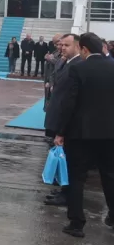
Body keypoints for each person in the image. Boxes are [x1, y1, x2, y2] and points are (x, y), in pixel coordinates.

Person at [53, 32, 114, 238]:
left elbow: (69, 104)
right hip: (109, 134)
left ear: (85, 49)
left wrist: (60, 131)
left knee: (77, 178)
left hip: (81, 134)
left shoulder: (78, 69)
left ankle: (77, 222)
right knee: (109, 176)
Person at [43, 33, 81, 207]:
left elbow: (72, 99)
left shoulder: (79, 65)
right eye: (61, 45)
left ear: (77, 46)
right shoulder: (63, 61)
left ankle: (67, 194)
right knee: (63, 157)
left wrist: (62, 129)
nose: (62, 48)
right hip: (57, 112)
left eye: (66, 45)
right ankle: (63, 189)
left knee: (69, 160)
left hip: (67, 121)